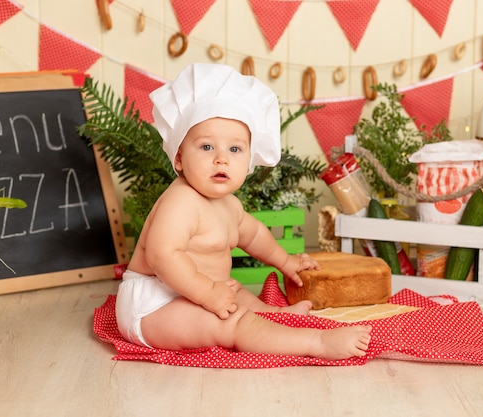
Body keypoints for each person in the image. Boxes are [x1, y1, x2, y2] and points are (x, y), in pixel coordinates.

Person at [115, 63, 371, 360]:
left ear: (249, 161)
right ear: (180, 158)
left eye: (235, 150)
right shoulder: (180, 201)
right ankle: (317, 343)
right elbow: (162, 256)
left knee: (238, 295)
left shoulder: (229, 205)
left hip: (196, 291)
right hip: (153, 304)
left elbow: (254, 235)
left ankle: (276, 320)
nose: (221, 159)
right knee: (231, 321)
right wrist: (208, 293)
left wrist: (285, 261)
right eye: (207, 147)